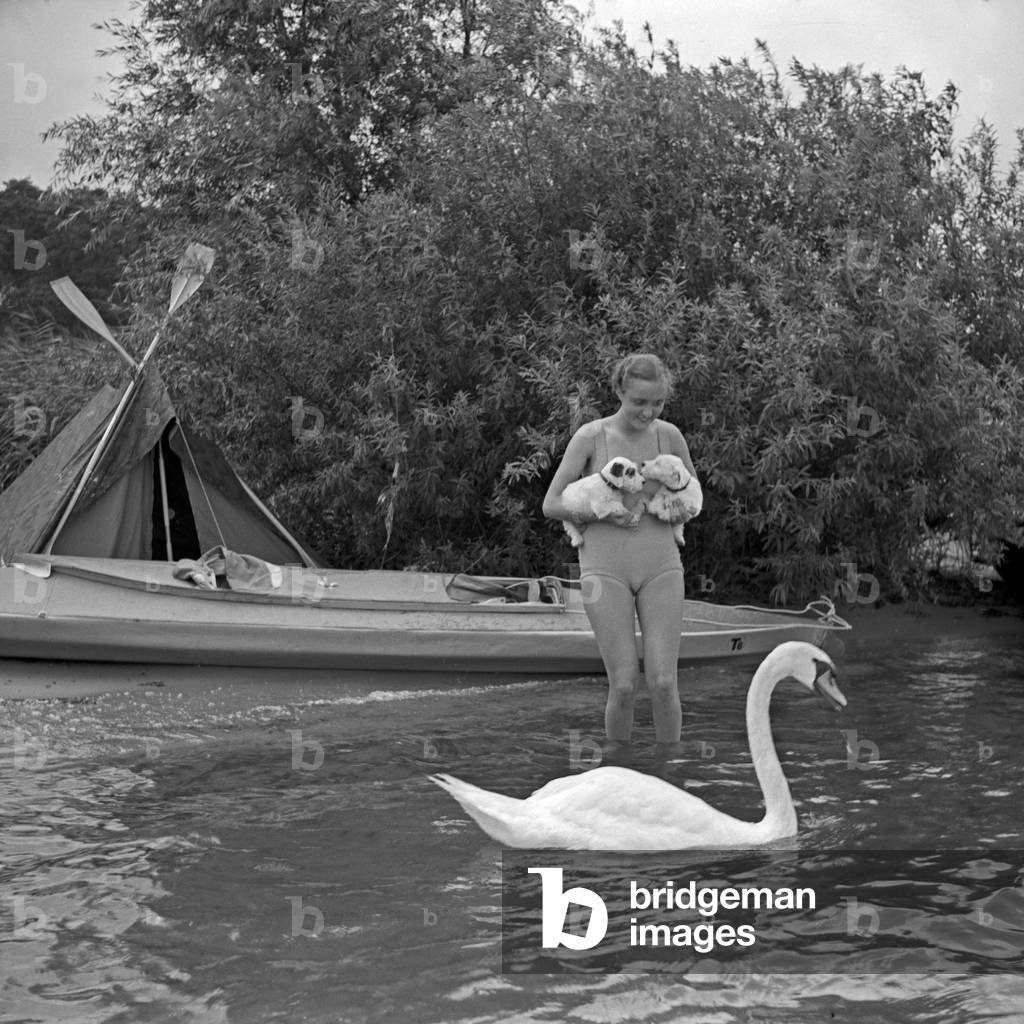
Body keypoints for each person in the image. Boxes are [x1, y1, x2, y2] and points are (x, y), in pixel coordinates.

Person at [542, 353, 699, 768]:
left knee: (664, 682)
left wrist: (673, 508)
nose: (648, 413)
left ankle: (671, 778)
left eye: (658, 404)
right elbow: (551, 504)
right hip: (604, 570)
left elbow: (693, 497)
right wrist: (605, 511)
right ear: (618, 393)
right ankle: (618, 777)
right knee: (625, 685)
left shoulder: (670, 438)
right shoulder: (590, 438)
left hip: (661, 566)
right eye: (639, 403)